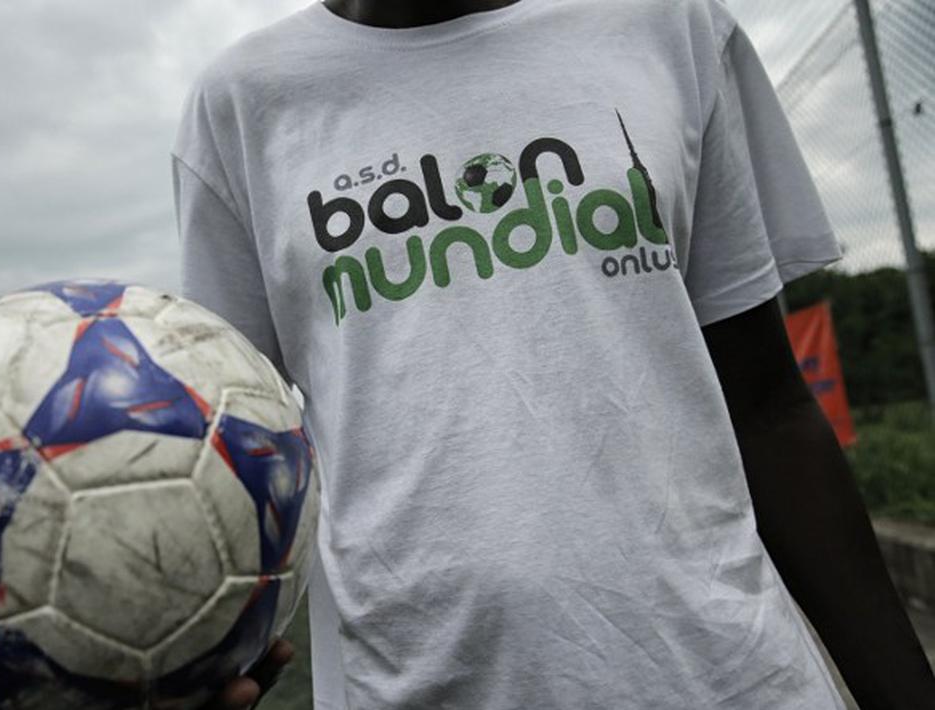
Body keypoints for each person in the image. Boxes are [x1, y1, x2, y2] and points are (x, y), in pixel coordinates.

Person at [168, 0, 935, 708]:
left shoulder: (664, 23)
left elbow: (765, 405)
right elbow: (225, 453)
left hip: (732, 680)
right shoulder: (241, 103)